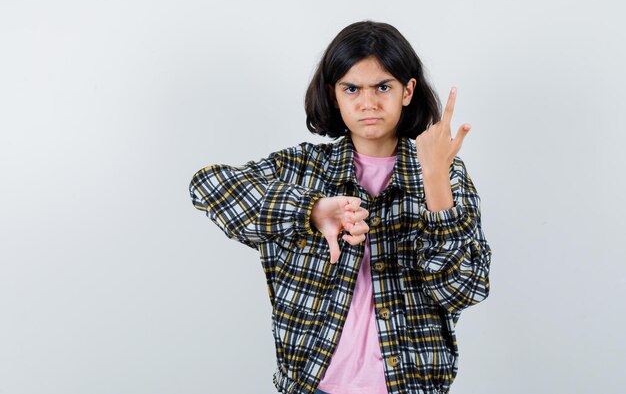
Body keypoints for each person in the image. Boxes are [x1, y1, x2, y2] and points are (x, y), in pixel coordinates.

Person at [189, 20, 492, 394]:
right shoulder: (302, 169)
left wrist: (434, 177)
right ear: (334, 95)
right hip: (311, 386)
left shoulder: (448, 175)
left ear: (407, 91)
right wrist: (311, 211)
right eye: (352, 88)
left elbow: (464, 290)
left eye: (383, 86)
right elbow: (208, 186)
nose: (368, 103)